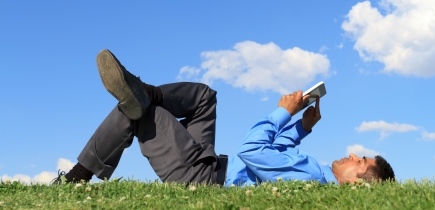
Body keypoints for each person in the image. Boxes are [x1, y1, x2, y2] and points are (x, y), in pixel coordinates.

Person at [55, 49, 395, 186]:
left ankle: (75, 179)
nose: (353, 155)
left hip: (199, 178)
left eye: (360, 161)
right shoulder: (314, 172)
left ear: (359, 184)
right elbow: (276, 159)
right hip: (208, 163)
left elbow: (252, 151)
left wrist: (283, 112)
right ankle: (145, 90)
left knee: (143, 112)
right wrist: (301, 128)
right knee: (205, 97)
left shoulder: (311, 176)